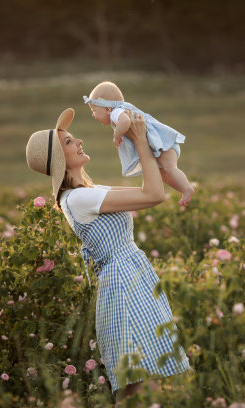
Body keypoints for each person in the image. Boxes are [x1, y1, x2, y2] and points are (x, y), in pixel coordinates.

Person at [25, 108, 190, 404]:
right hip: (125, 285)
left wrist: (145, 140)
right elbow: (154, 195)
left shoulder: (86, 192)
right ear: (59, 159)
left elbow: (149, 187)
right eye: (69, 142)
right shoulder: (78, 198)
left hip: (131, 279)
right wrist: (139, 141)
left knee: (147, 379)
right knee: (142, 382)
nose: (79, 142)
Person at [83, 81, 195, 206]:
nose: (93, 115)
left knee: (169, 168)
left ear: (107, 109)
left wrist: (117, 135)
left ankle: (187, 189)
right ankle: (183, 190)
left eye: (94, 110)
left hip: (164, 145)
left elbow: (125, 121)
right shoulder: (120, 110)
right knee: (163, 173)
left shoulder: (117, 112)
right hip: (160, 146)